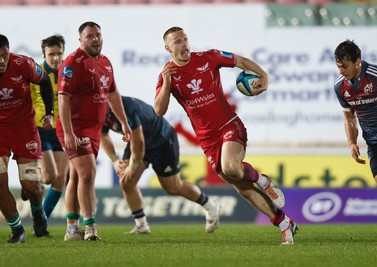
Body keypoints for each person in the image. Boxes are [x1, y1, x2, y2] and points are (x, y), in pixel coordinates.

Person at [154, 27, 298, 245]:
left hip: (229, 125)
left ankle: (263, 180)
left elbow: (241, 61)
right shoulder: (168, 75)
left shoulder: (209, 58)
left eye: (185, 39)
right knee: (243, 189)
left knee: (231, 167)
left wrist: (264, 76)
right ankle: (284, 223)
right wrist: (165, 85)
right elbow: (159, 110)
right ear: (167, 48)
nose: (183, 44)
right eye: (177, 42)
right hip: (207, 140)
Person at [101, 96, 221, 234]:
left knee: (173, 187)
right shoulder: (100, 111)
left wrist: (133, 167)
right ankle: (141, 225)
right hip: (138, 141)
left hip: (161, 140)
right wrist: (115, 160)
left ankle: (210, 205)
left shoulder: (126, 108)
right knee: (126, 181)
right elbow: (103, 135)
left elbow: (139, 144)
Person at [57, 21, 131, 241]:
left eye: (98, 35)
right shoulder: (73, 62)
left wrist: (124, 123)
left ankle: (72, 229)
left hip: (94, 129)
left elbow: (113, 94)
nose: (95, 39)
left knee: (78, 178)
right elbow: (63, 99)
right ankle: (90, 227)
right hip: (75, 126)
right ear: (80, 40)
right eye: (89, 36)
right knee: (88, 173)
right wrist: (69, 133)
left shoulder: (106, 63)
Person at [0, 34, 53, 243]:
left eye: (4, 55)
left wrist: (48, 112)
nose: (2, 61)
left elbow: (45, 81)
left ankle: (38, 211)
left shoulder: (23, 64)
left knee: (31, 186)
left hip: (24, 129)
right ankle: (17, 230)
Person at [334, 40, 377, 207]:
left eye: (345, 66)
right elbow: (349, 118)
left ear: (357, 62)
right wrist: (352, 142)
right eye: (338, 66)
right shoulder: (340, 86)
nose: (341, 71)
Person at [29, 34, 69, 220]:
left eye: (59, 53)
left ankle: (41, 221)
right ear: (44, 54)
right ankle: (29, 185)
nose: (56, 58)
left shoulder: (68, 73)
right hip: (41, 130)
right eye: (51, 53)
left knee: (61, 178)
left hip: (61, 130)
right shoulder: (35, 74)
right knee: (47, 178)